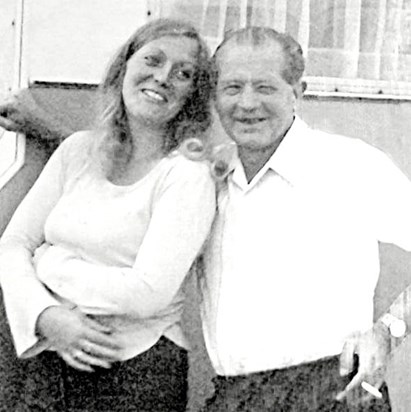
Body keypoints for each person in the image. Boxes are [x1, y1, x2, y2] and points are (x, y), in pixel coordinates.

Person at [0, 18, 216, 412]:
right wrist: (46, 315)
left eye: (183, 74)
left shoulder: (186, 175)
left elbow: (147, 293)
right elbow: (12, 244)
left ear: (193, 95)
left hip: (135, 373)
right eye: (153, 59)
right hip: (50, 358)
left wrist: (49, 264)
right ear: (125, 67)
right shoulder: (77, 152)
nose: (163, 77)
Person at [199, 27, 411, 411]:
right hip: (234, 398)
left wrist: (388, 331)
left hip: (335, 391)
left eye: (265, 87)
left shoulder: (350, 164)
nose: (247, 103)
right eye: (232, 88)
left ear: (298, 92)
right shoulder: (202, 177)